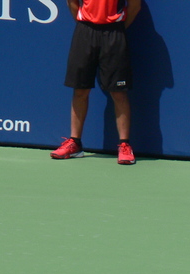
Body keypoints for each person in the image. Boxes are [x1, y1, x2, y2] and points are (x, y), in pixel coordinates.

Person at [50, 0, 141, 165]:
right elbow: (72, 2)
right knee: (80, 90)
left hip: (115, 34)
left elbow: (135, 6)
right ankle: (75, 143)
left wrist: (117, 27)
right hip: (85, 32)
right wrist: (86, 24)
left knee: (118, 92)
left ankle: (124, 145)